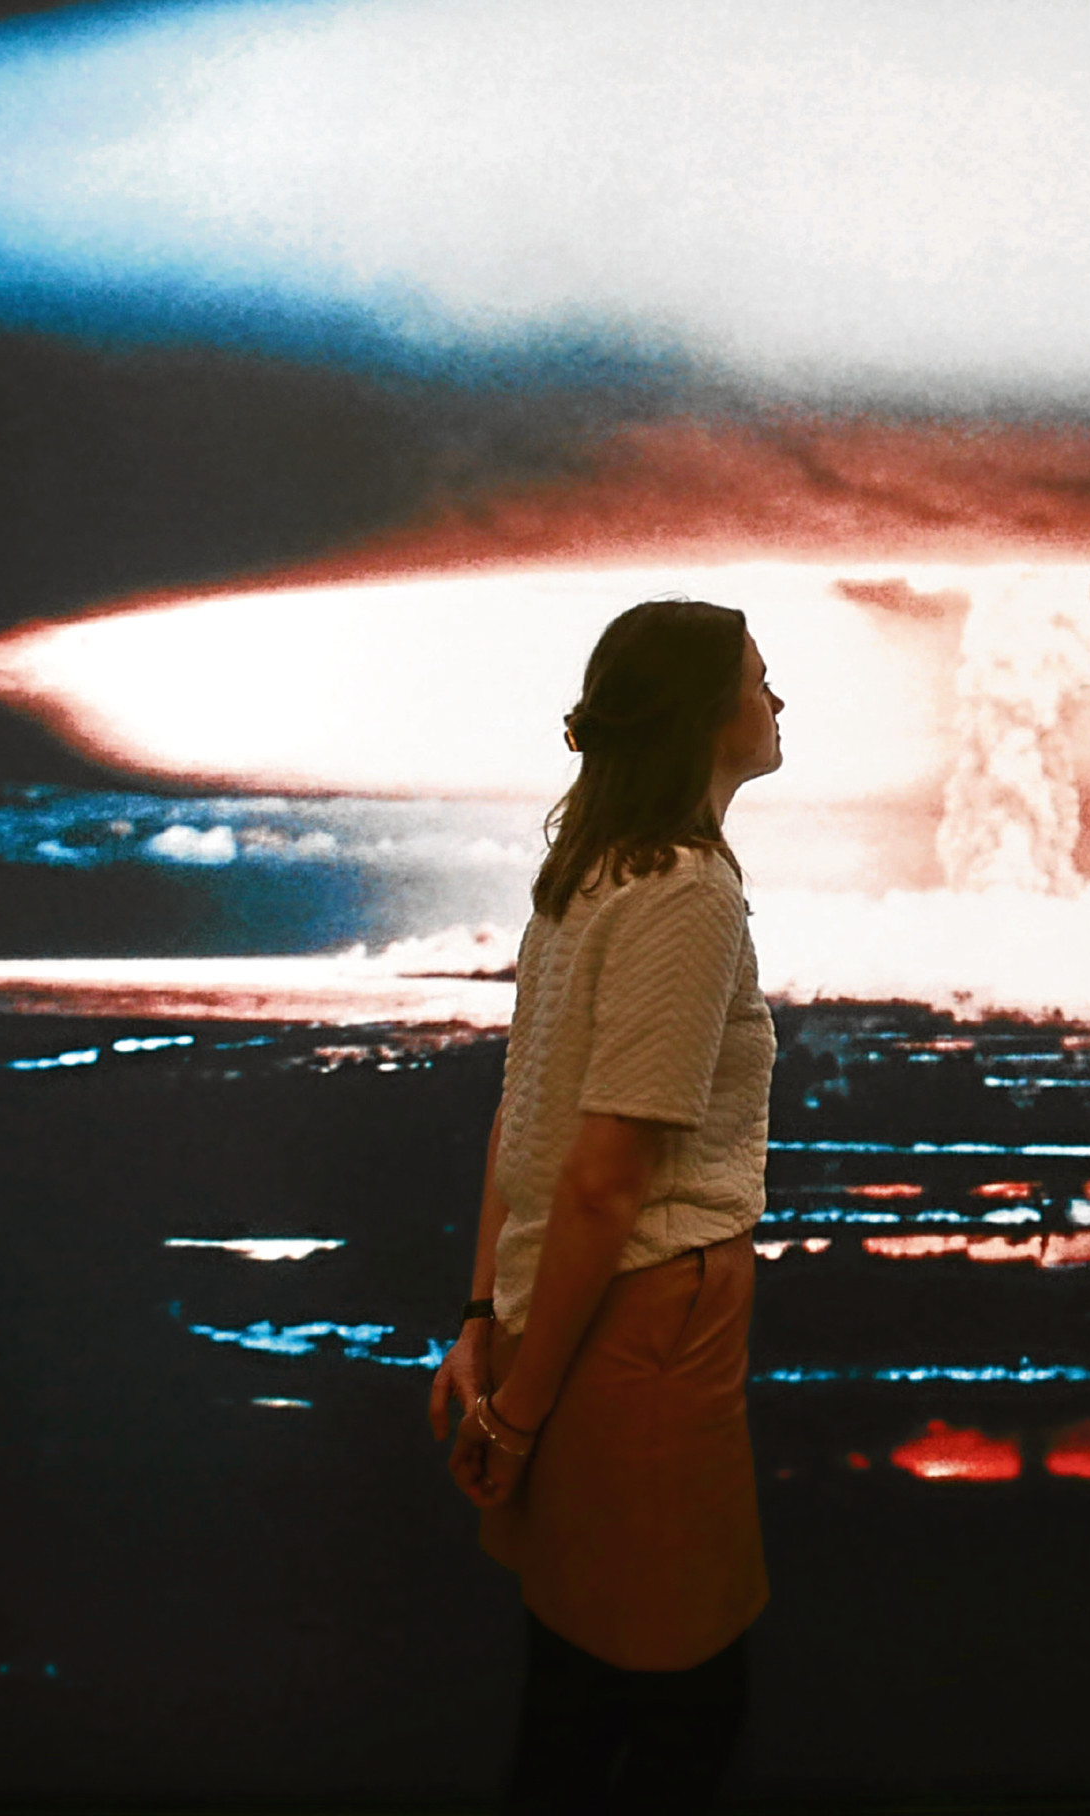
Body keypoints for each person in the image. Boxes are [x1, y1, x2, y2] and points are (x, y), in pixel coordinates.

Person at [426, 598, 785, 1809]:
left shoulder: (582, 877)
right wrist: (517, 1414)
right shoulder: (684, 892)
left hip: (562, 1318)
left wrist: (484, 1322)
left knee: (578, 1684)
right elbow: (602, 1175)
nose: (778, 702)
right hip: (644, 1332)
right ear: (703, 717)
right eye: (758, 679)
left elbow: (514, 1124)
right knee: (683, 1702)